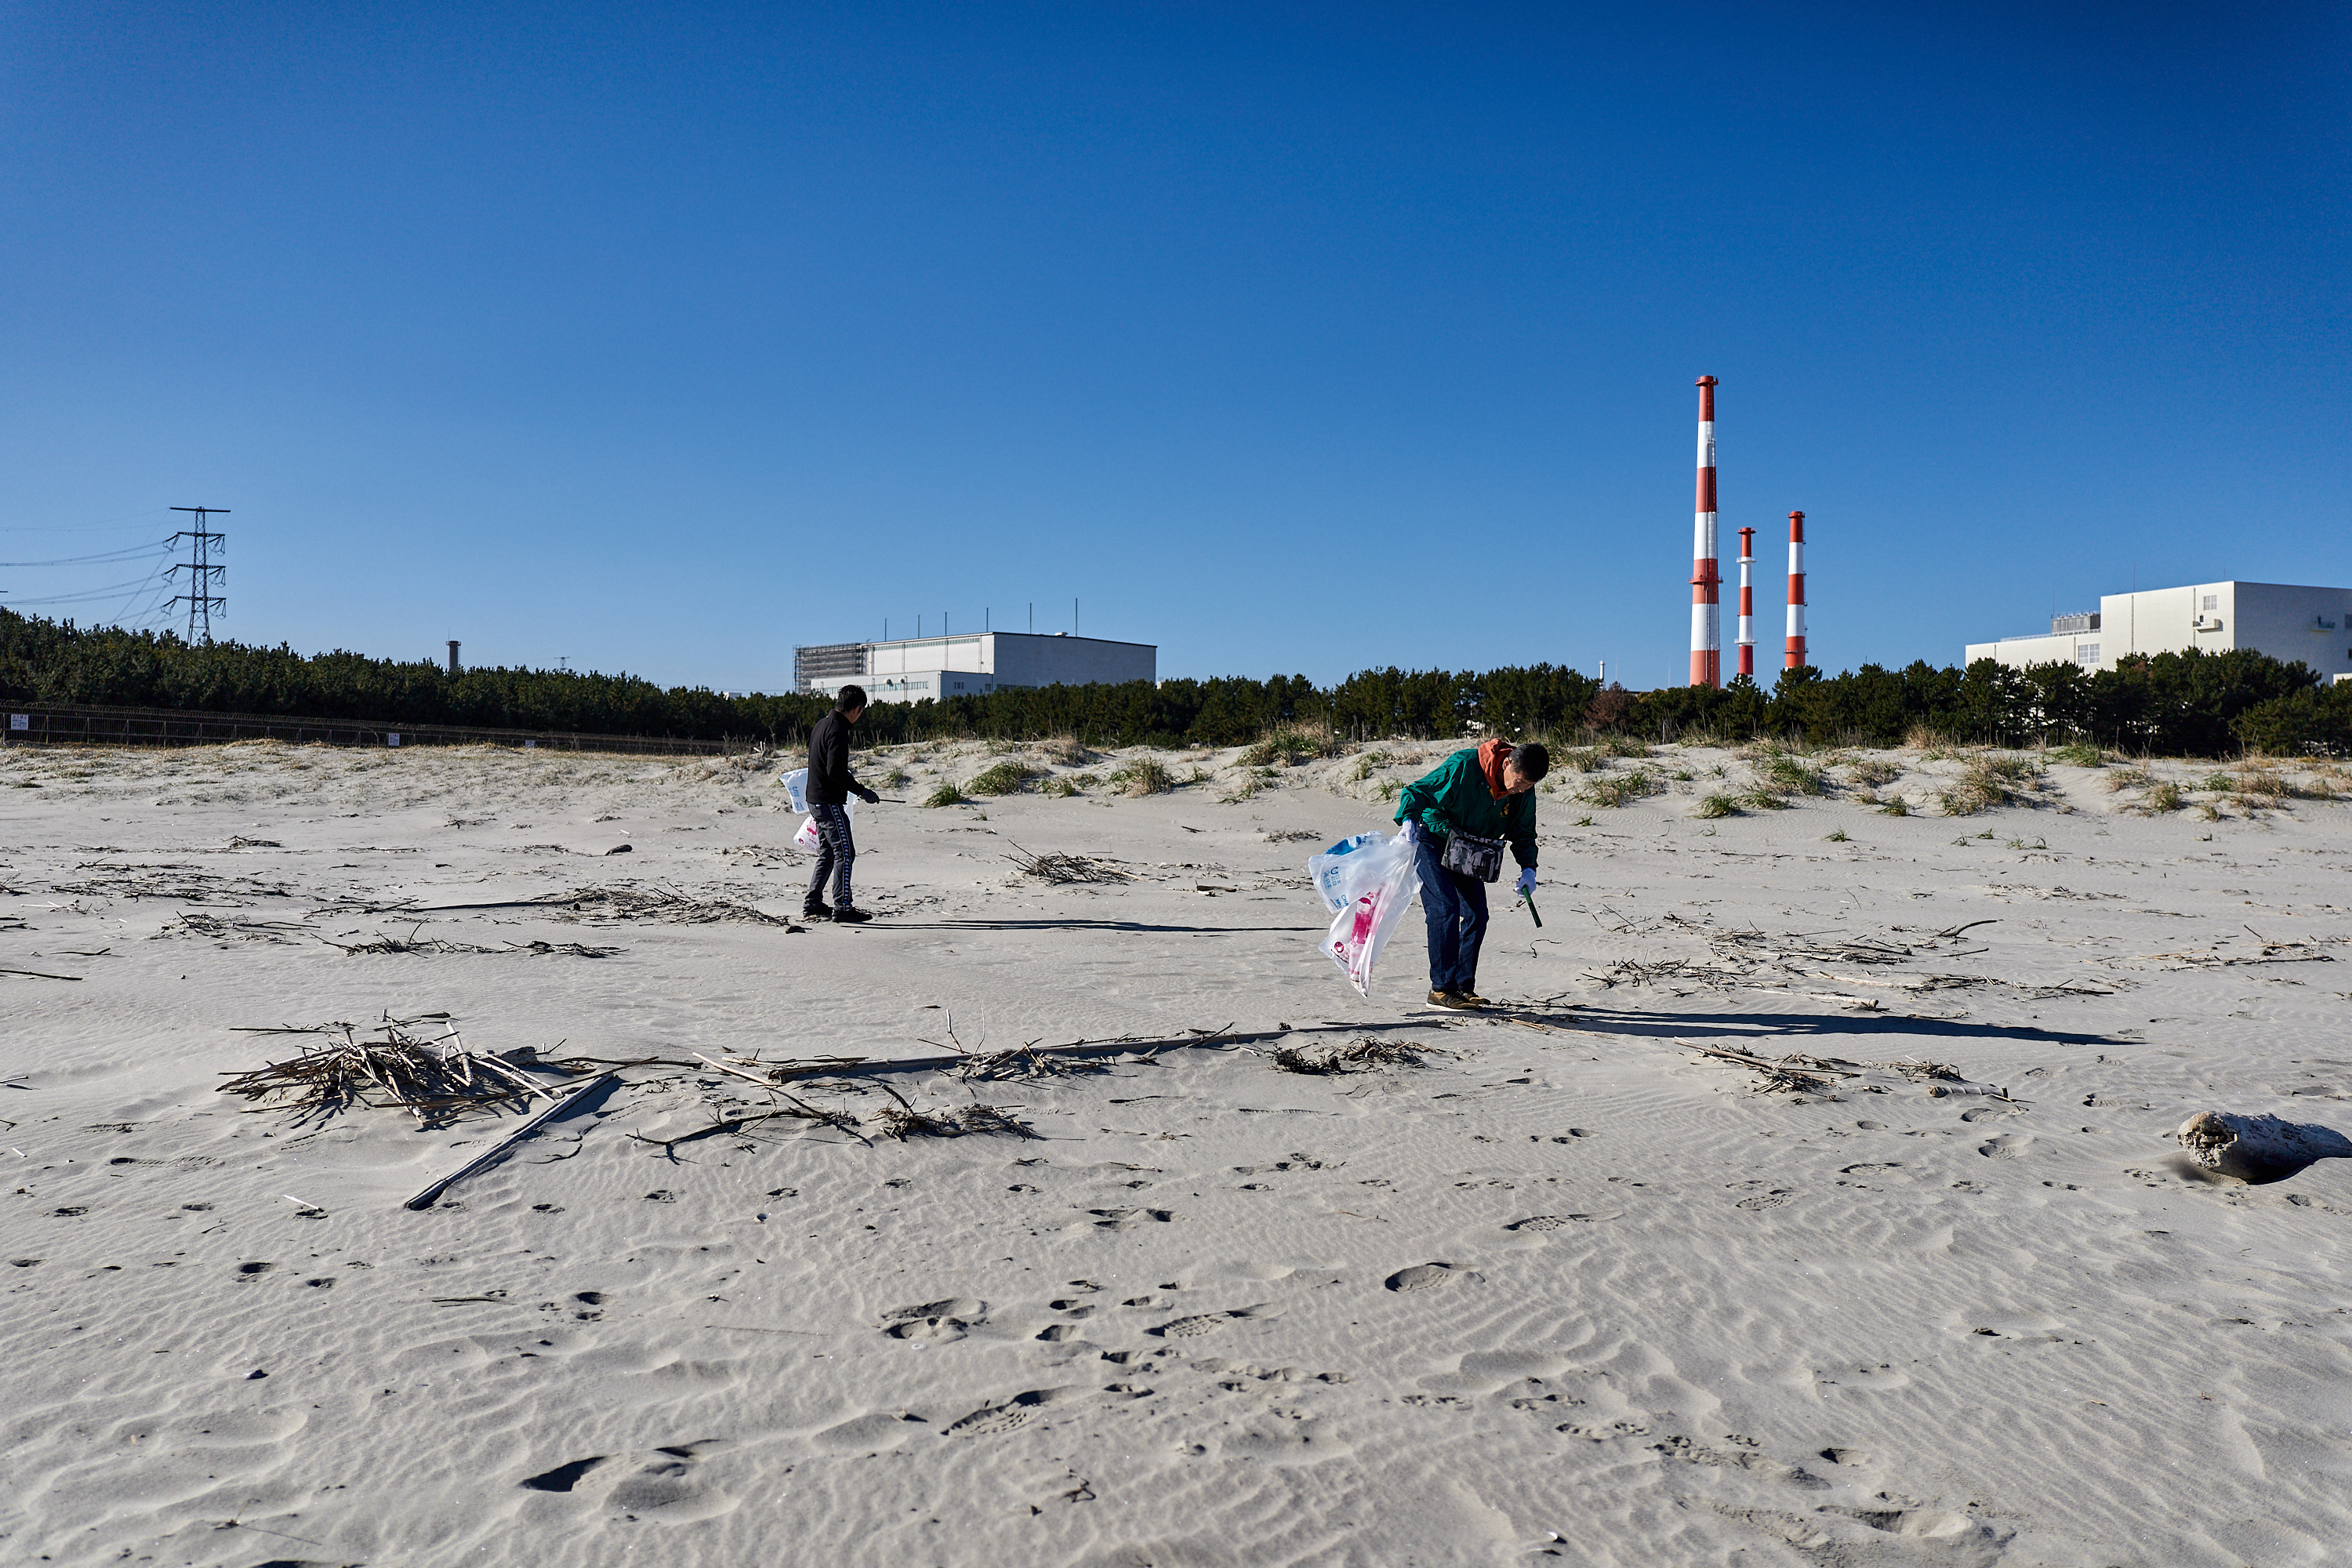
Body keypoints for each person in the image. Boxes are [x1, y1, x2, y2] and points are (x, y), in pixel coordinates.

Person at [1394, 737, 1548, 1009]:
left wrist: (1528, 869)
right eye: (1519, 780)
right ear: (1508, 762)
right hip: (1432, 839)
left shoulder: (1522, 792)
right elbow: (1419, 791)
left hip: (1470, 849)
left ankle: (1463, 988)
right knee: (1445, 908)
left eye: (1528, 785)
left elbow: (1523, 832)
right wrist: (1408, 820)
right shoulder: (1465, 765)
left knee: (1477, 914)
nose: (1520, 788)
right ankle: (1441, 990)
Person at [804, 684, 882, 923]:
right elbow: (835, 771)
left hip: (815, 799)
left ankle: (813, 903)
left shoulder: (822, 723)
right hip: (828, 802)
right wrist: (862, 791)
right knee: (845, 852)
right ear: (857, 709)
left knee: (828, 853)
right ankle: (843, 908)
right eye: (861, 711)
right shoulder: (838, 729)